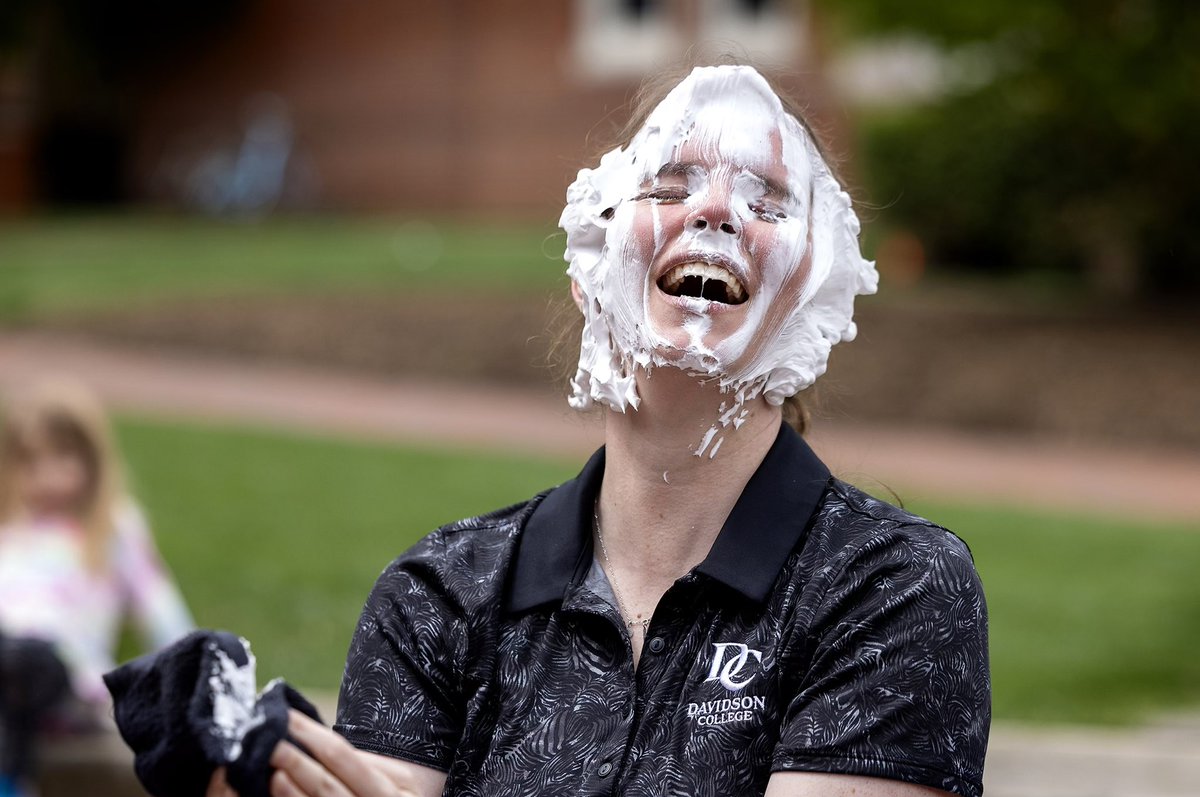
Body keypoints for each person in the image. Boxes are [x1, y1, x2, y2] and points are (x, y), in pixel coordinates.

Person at [211, 62, 989, 797]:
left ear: (818, 289)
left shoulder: (892, 591)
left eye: (768, 202)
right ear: (590, 262)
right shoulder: (441, 595)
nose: (715, 210)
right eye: (670, 184)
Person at [0, 376, 195, 796]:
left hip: (67, 681)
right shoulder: (9, 527)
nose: (48, 477)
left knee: (25, 660)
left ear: (93, 460)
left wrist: (195, 674)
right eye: (31, 463)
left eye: (63, 458)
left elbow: (160, 609)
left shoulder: (113, 529)